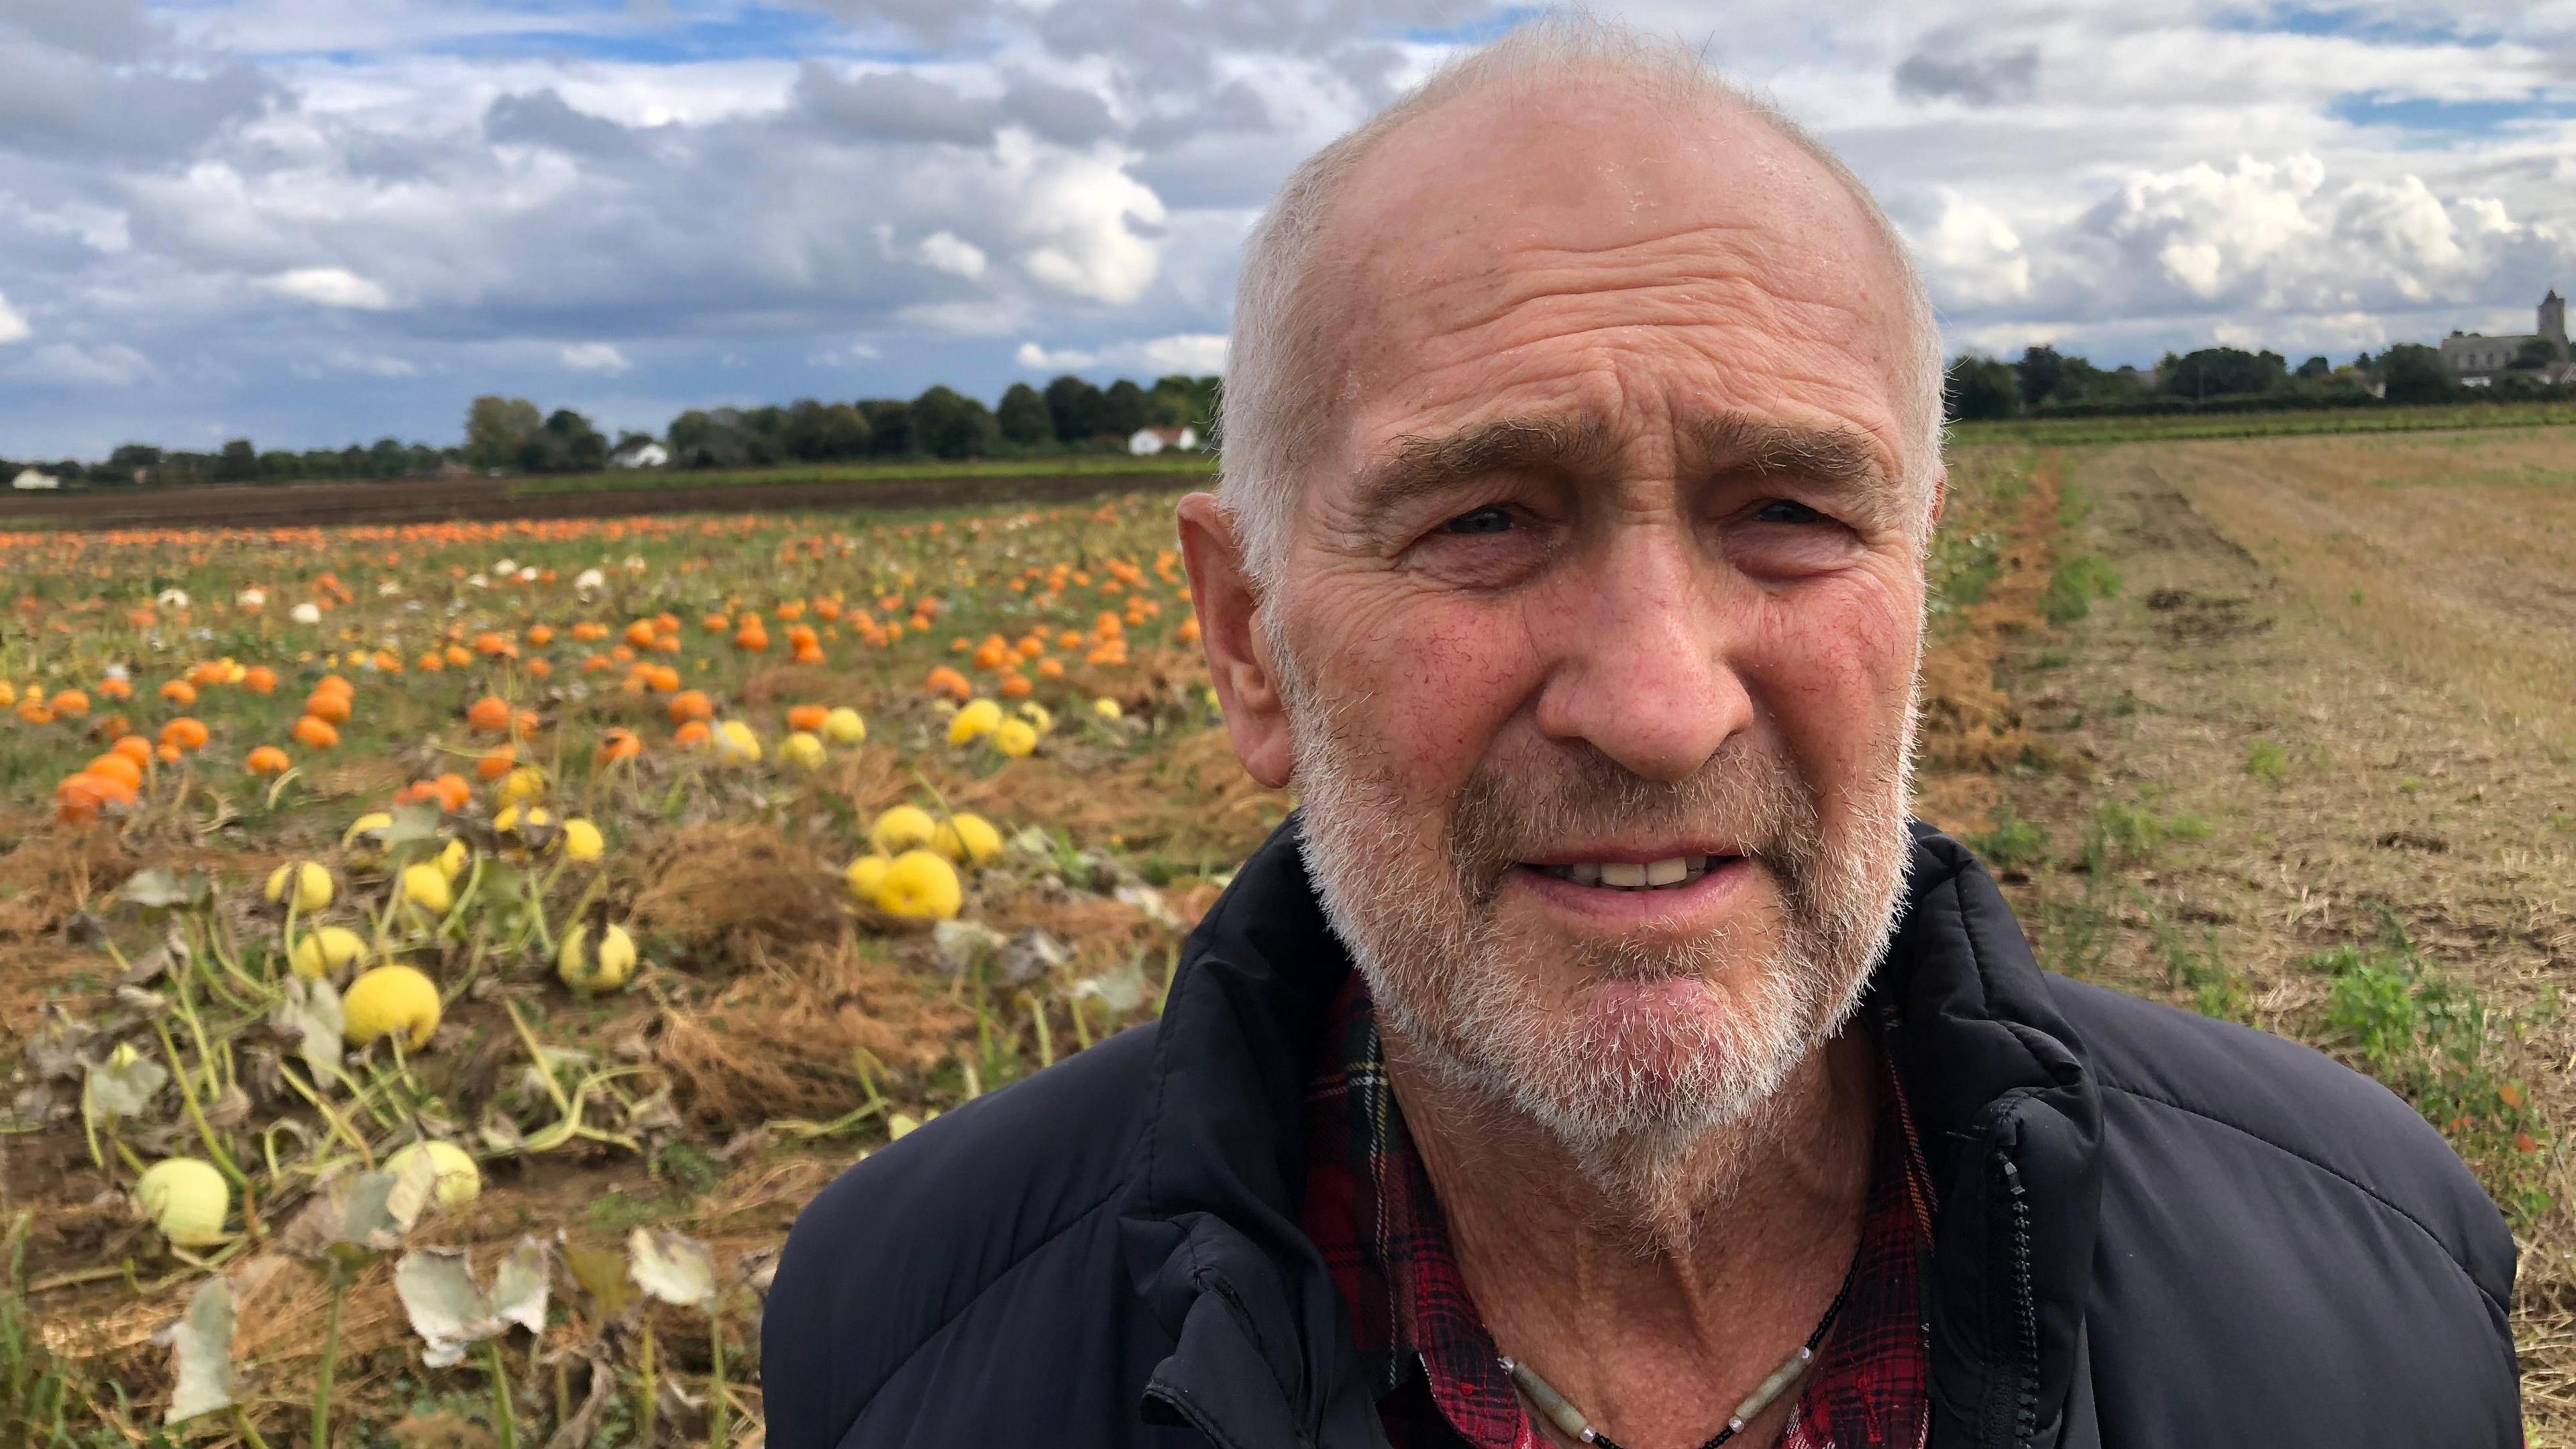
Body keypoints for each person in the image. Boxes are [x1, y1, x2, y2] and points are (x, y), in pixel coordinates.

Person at [764, 18, 2520, 1448]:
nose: (1662, 706)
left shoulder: (2378, 1304)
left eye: (1789, 512)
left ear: (1917, 574)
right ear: (1250, 646)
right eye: (1485, 521)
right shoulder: (901, 1343)